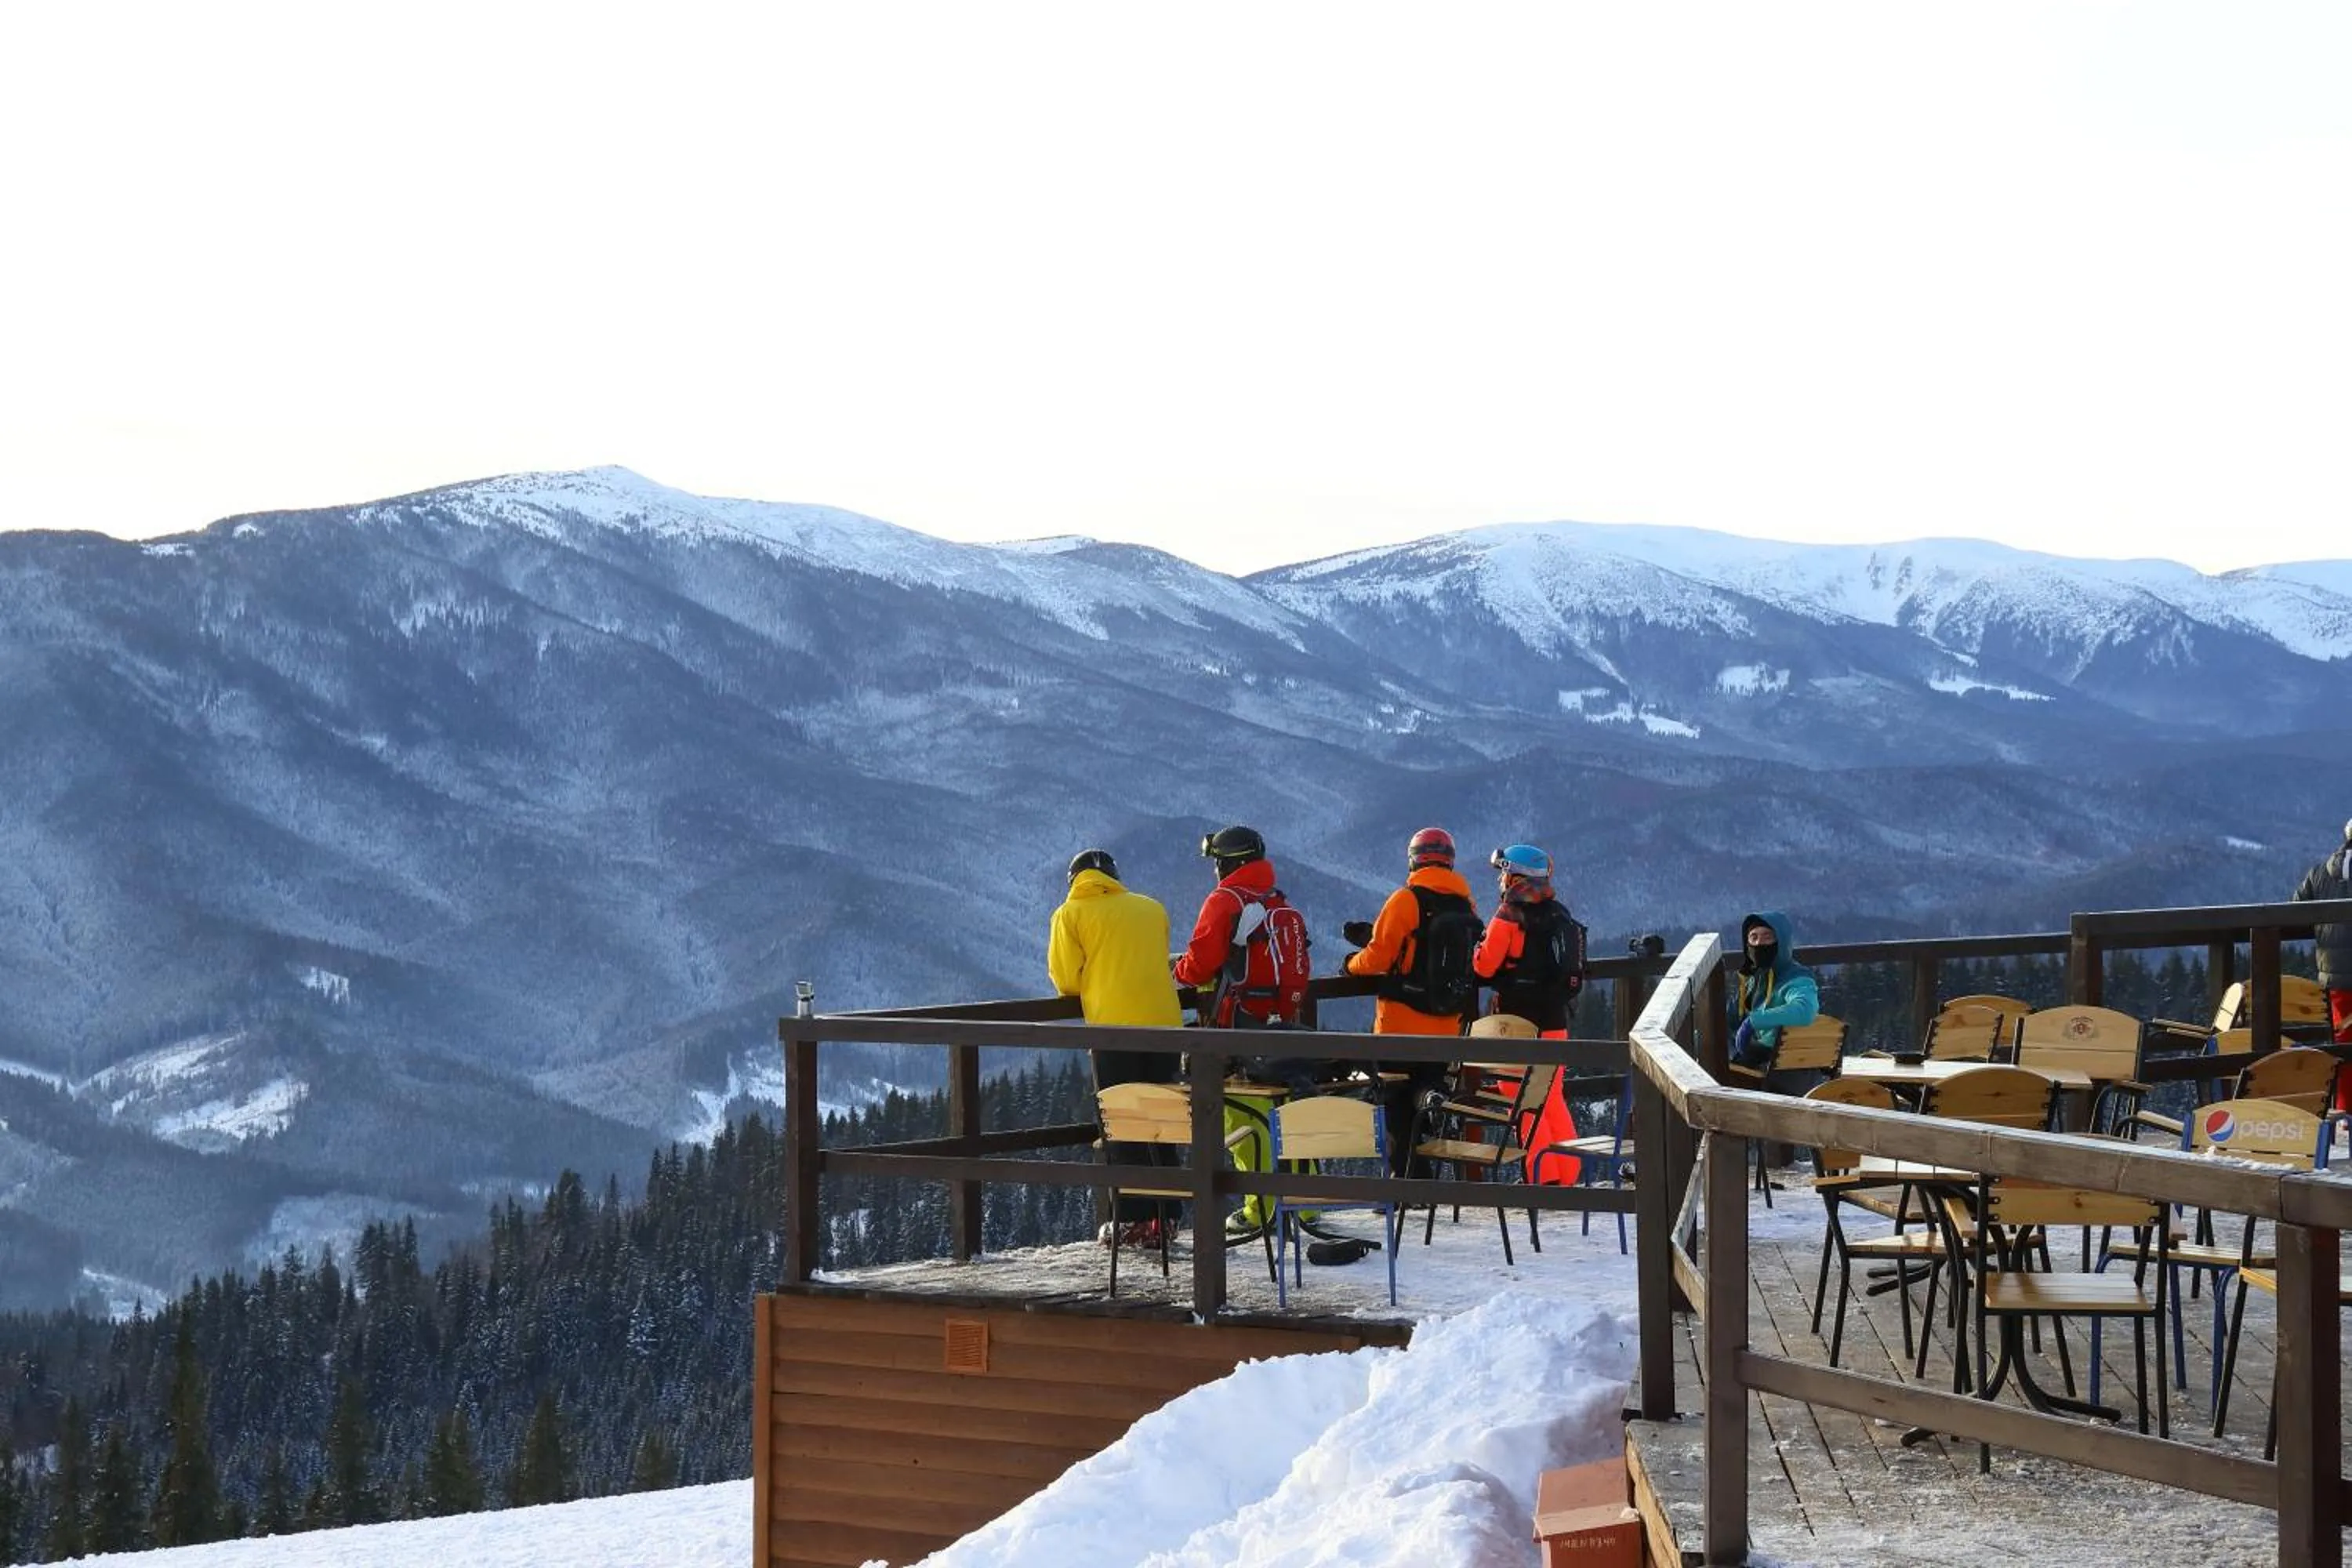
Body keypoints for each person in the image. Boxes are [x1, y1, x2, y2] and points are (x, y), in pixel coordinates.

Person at [1171, 825, 1316, 1243]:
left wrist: (1177, 972)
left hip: (1237, 1026)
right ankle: (1304, 1205)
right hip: (1283, 1024)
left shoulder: (1225, 902)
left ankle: (1263, 1209)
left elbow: (1199, 965)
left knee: (1241, 1114)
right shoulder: (1276, 901)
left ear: (1227, 863)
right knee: (1291, 1111)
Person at [1048, 848, 1185, 1249]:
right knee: (1162, 1122)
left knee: (1122, 1124)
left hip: (1114, 1030)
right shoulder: (1151, 908)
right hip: (1165, 1026)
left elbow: (1066, 982)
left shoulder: (1069, 915)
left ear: (1075, 881)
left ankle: (1131, 1220)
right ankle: (1168, 1219)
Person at [1342, 826, 1482, 1169]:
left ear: (1413, 860)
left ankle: (1411, 1188)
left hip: (1400, 1025)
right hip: (1447, 1022)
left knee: (1394, 1107)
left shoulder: (1406, 900)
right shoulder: (1467, 904)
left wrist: (1350, 964)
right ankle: (1431, 1099)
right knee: (1423, 1093)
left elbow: (1377, 959)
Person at [1472, 844, 1585, 1183]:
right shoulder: (1559, 912)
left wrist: (1478, 948)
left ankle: (1541, 1177)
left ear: (1514, 875)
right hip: (1554, 1021)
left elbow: (1484, 966)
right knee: (1551, 1100)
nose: (1501, 880)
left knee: (1521, 1103)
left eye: (1503, 872)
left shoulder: (1510, 914)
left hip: (1516, 1024)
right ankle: (1568, 1174)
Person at [2291, 819, 2352, 1109]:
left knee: (2343, 1044)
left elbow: (2295, 909)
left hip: (2336, 978)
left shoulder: (2320, 873)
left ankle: (2344, 1108)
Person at [1728, 910, 1820, 1072]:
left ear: (1781, 942)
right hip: (1762, 1057)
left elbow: (1805, 1010)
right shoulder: (1755, 979)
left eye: (1767, 937)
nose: (1759, 944)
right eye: (1753, 937)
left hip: (1782, 1064)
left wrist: (1754, 1021)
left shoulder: (1796, 977)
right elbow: (1731, 1016)